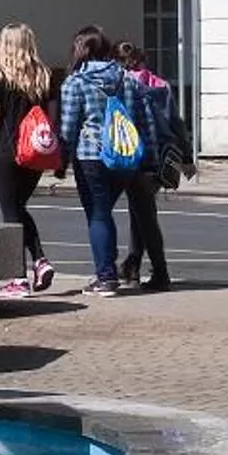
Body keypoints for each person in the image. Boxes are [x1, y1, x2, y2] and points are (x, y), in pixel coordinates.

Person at [58, 26, 163, 296]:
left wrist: (61, 161)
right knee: (104, 213)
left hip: (91, 157)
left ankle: (106, 277)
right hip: (125, 157)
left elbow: (68, 127)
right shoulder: (127, 79)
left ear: (81, 50)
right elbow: (146, 120)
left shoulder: (75, 82)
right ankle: (108, 270)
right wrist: (150, 159)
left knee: (98, 214)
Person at [0, 23, 60, 298]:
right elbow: (53, 118)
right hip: (36, 152)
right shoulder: (45, 76)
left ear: (4, 44)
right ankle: (41, 261)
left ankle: (19, 279)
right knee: (19, 208)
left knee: (11, 215)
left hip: (8, 154)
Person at [114, 40, 187, 292]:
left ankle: (155, 271)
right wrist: (186, 159)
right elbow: (176, 124)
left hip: (134, 155)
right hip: (161, 157)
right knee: (142, 212)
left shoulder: (124, 85)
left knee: (143, 214)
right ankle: (133, 264)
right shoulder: (161, 86)